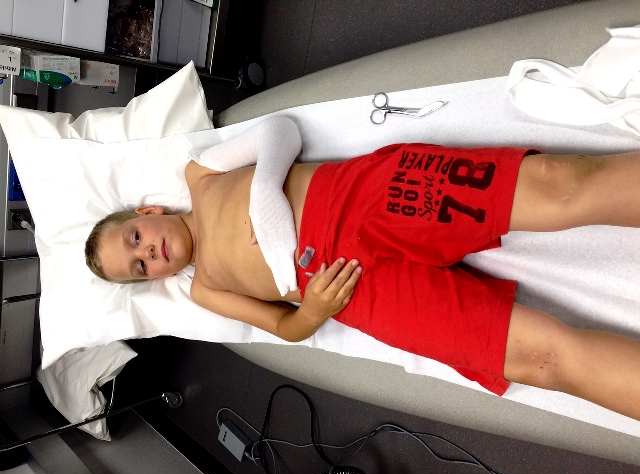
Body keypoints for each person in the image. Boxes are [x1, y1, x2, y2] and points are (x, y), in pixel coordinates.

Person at [86, 116, 640, 421]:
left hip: (362, 197)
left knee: (559, 186)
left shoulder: (201, 175)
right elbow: (286, 328)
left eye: (136, 239)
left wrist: (265, 193)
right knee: (538, 360)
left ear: (147, 213)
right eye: (138, 268)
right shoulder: (206, 290)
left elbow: (279, 131)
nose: (148, 254)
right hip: (352, 291)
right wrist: (314, 309)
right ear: (153, 279)